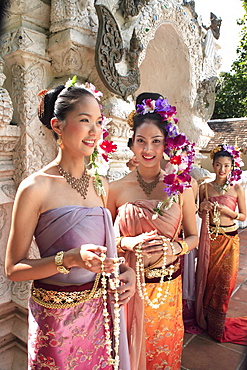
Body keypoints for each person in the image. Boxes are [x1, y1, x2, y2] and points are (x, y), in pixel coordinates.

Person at [5, 79, 135, 369]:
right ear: (58, 125)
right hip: (56, 321)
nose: (95, 131)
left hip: (98, 314)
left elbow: (106, 253)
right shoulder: (35, 187)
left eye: (99, 122)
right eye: (85, 120)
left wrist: (126, 272)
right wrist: (71, 259)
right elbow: (14, 269)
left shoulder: (100, 184)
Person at [107, 92, 198, 370]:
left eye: (156, 141)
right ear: (131, 143)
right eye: (141, 141)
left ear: (165, 145)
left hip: (167, 288)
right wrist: (129, 242)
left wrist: (176, 247)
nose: (148, 149)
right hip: (128, 290)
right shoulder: (116, 189)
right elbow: (106, 241)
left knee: (162, 356)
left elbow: (193, 237)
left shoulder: (183, 186)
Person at [196, 144, 247, 344]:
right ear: (213, 165)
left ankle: (219, 326)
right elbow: (199, 214)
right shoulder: (204, 188)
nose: (222, 170)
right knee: (209, 282)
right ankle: (208, 320)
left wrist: (229, 213)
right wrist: (202, 207)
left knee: (226, 283)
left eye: (226, 165)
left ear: (232, 167)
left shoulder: (237, 188)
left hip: (230, 240)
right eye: (218, 165)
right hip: (212, 240)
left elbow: (243, 215)